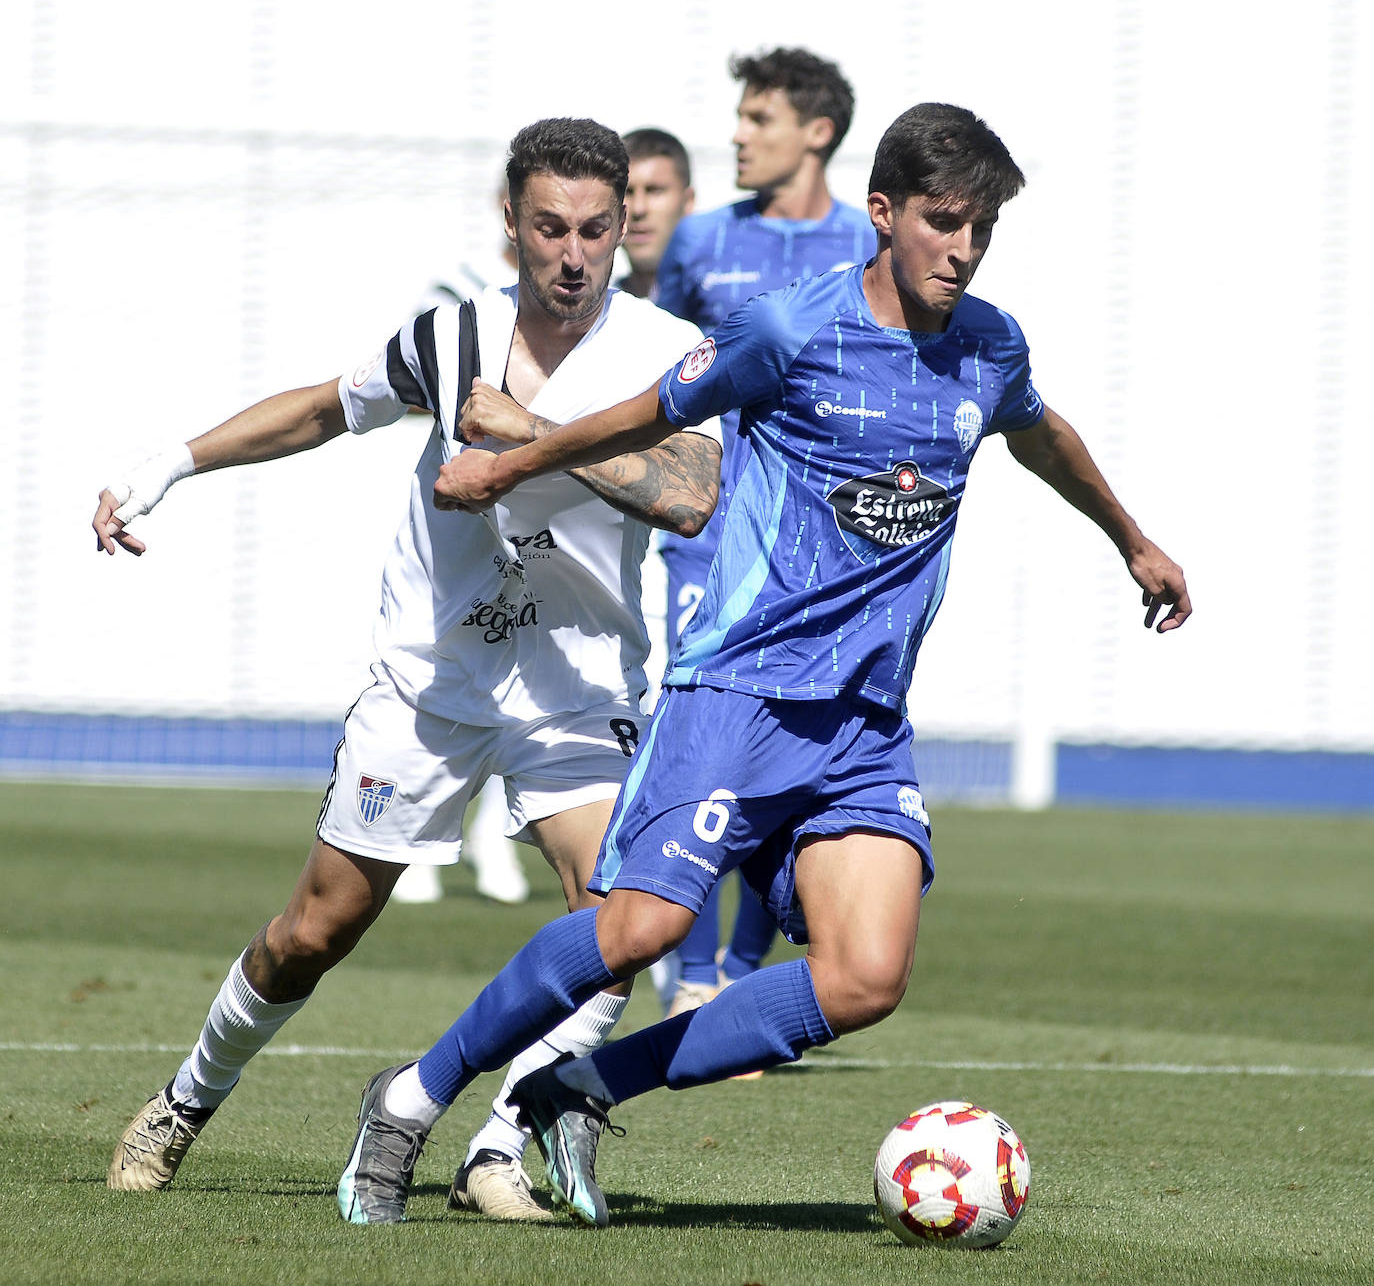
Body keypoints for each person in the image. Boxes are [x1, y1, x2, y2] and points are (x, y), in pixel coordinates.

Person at [336, 100, 1191, 1229]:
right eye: (944, 223)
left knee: (865, 975)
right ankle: (411, 1094)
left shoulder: (990, 344)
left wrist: (1131, 537)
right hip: (735, 690)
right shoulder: (791, 330)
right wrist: (509, 467)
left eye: (981, 229)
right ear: (882, 214)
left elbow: (1039, 430)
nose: (964, 249)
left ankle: (581, 1087)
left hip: (862, 718)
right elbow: (644, 411)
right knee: (639, 928)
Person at [96, 117, 722, 1224]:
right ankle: (184, 1100)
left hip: (577, 688)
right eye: (548, 228)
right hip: (433, 681)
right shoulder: (450, 337)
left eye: (595, 229)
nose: (572, 254)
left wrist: (528, 433)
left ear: (626, 224)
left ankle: (496, 1141)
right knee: (314, 932)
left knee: (626, 919)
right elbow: (322, 410)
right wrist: (173, 462)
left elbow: (689, 493)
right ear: (510, 221)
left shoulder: (669, 348)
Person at [653, 48, 874, 1019]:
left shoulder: (864, 247)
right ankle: (686, 972)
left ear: (816, 132)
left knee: (801, 746)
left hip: (824, 554)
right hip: (714, 536)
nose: (739, 135)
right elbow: (650, 374)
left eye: (759, 119)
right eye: (740, 117)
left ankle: (741, 971)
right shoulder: (701, 244)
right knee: (698, 737)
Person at [397, 177, 527, 909]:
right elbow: (414, 391)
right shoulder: (458, 290)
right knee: (441, 668)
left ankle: (488, 837)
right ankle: (416, 837)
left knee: (533, 676)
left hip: (545, 518)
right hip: (460, 515)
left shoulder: (594, 304)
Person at [617, 128, 695, 302]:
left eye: (654, 191)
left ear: (688, 201)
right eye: (627, 192)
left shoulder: (720, 306)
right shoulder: (586, 315)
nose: (638, 209)